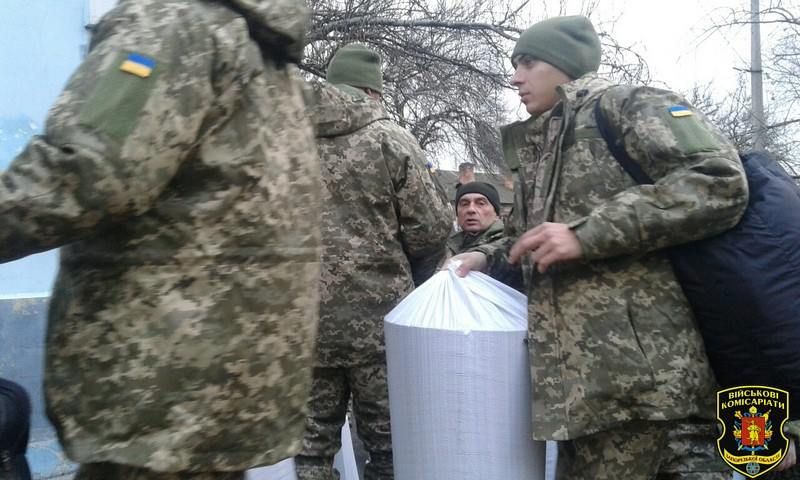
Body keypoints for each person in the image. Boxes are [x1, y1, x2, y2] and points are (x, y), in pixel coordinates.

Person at [0, 1, 322, 478]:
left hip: (157, 389)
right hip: (230, 390)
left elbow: (90, 171)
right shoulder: (263, 56)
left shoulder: (172, 27)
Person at [451, 15, 754, 479]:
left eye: (528, 63)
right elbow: (527, 237)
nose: (514, 77)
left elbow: (719, 182)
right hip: (587, 394)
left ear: (564, 64)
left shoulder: (629, 105)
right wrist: (484, 257)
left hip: (651, 388)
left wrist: (586, 233)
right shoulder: (541, 144)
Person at [295, 44, 452, 480]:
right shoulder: (390, 138)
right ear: (373, 90)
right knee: (391, 448)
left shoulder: (288, 138)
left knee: (309, 450)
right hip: (381, 328)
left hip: (303, 324)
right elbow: (431, 229)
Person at [446, 182, 505, 256]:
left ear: (496, 214)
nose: (471, 210)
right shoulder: (448, 246)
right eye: (464, 204)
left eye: (481, 203)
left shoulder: (508, 244)